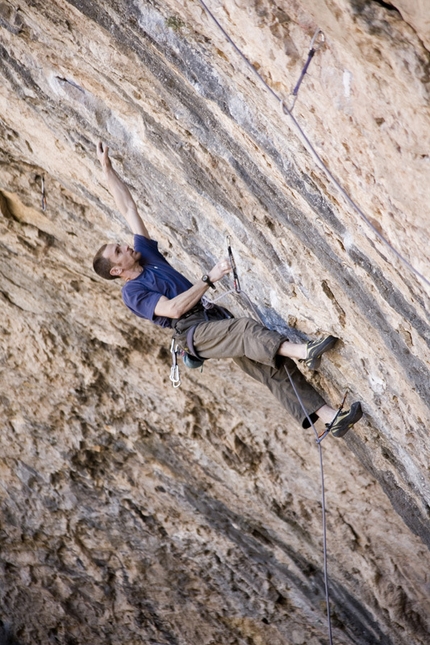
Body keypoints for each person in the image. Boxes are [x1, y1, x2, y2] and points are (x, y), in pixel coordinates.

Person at [92, 142, 363, 438]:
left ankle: (332, 418)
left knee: (271, 365)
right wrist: (209, 278)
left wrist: (108, 170)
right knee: (245, 330)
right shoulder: (132, 292)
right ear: (117, 270)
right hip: (191, 331)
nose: (126, 246)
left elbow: (128, 208)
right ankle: (305, 351)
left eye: (121, 245)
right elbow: (173, 309)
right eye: (119, 251)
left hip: (210, 318)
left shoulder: (146, 256)